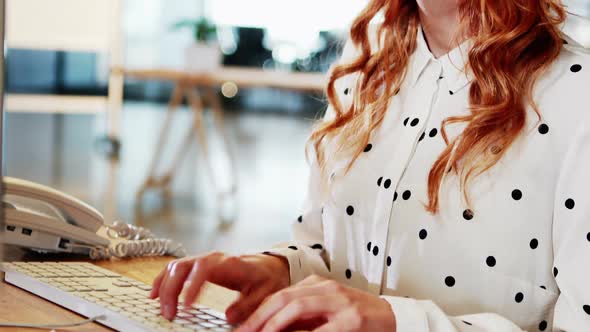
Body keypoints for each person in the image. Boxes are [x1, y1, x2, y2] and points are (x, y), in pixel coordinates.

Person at [150, 0, 590, 330]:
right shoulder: (365, 64)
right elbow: (327, 252)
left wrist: (397, 321)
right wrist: (279, 272)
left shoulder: (576, 91)